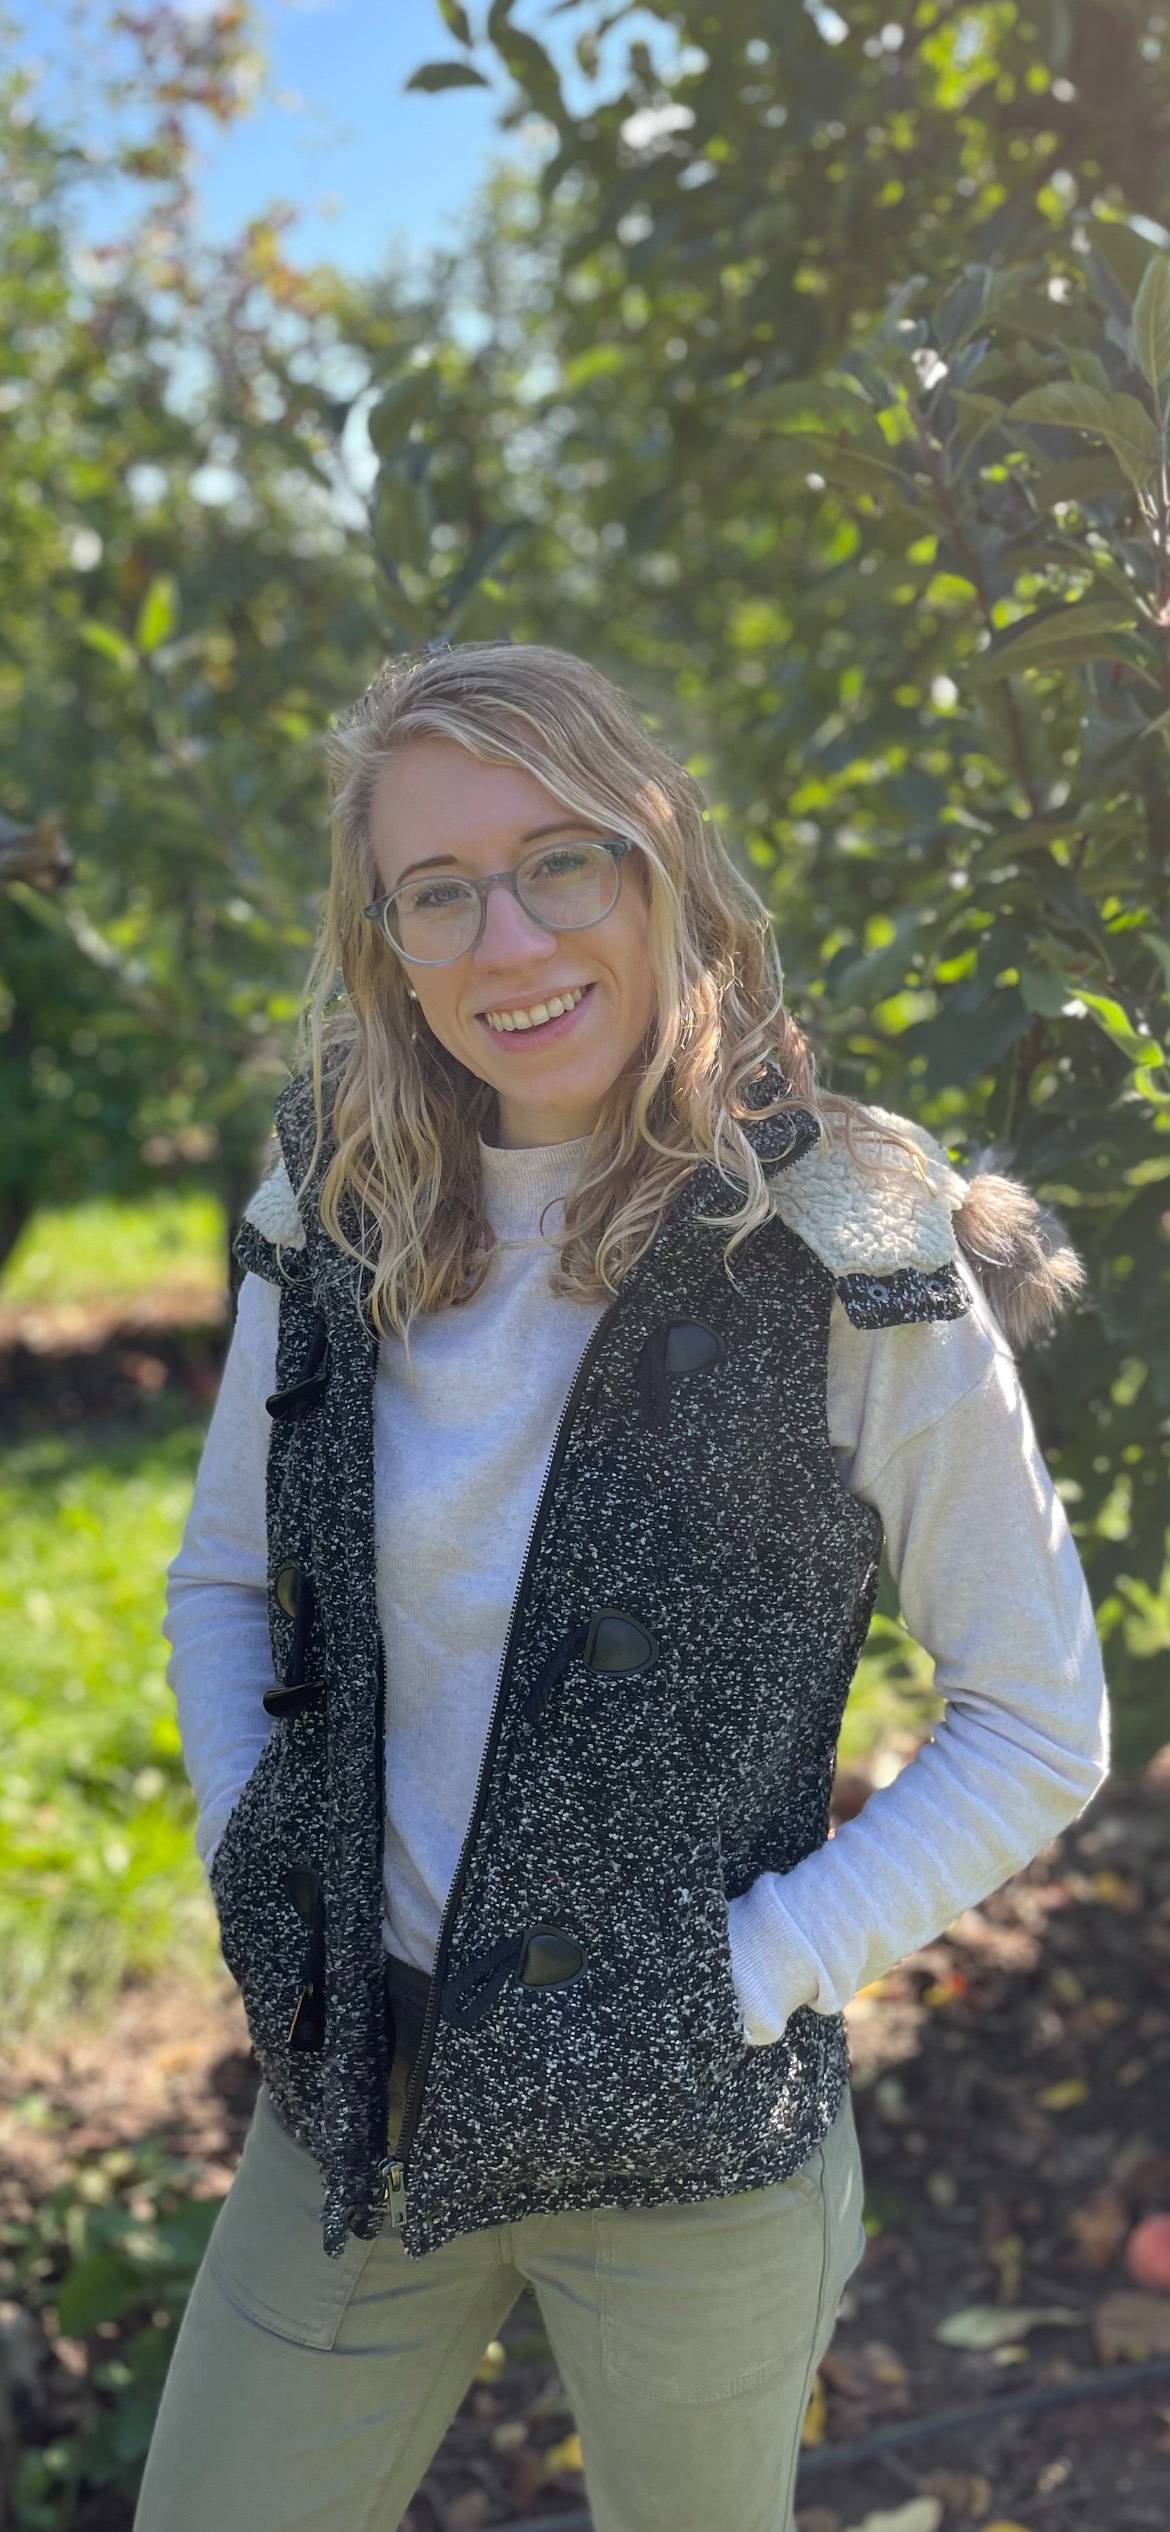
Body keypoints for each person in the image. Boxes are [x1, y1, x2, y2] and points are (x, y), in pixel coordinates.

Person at [134, 639, 1110, 2532]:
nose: (509, 938)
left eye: (561, 856)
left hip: (688, 2137)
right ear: (385, 941)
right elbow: (222, 1578)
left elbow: (1035, 1720)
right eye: (439, 889)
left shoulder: (843, 1237)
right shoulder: (326, 1203)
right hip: (358, 2094)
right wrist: (261, 1848)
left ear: (661, 863)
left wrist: (744, 1979)